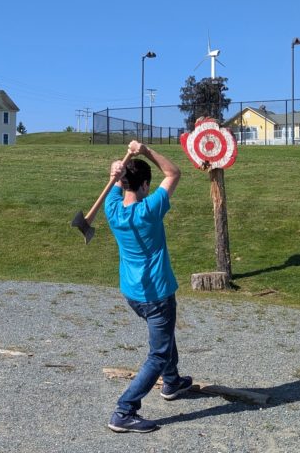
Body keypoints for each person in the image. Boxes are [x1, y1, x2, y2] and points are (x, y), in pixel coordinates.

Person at [104, 140, 191, 434]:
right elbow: (174, 172)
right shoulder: (149, 211)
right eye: (147, 185)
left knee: (164, 337)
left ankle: (172, 381)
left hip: (132, 294)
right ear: (143, 185)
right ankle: (124, 410)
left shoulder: (112, 208)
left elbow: (115, 183)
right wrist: (146, 151)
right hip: (157, 294)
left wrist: (113, 171)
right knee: (158, 353)